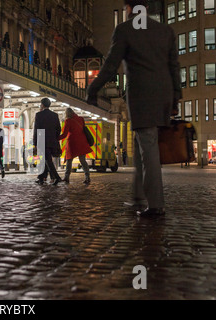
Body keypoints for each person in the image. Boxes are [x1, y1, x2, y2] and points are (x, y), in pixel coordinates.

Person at [86, 0, 182, 217]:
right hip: (164, 95)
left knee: (147, 146)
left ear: (129, 8)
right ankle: (139, 197)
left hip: (143, 97)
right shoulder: (165, 30)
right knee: (142, 145)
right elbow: (174, 66)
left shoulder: (125, 30)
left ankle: (156, 205)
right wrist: (176, 97)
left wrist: (93, 88)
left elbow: (111, 64)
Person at [33, 98, 62, 185]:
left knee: (47, 160)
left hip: (42, 141)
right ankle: (41, 178)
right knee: (45, 160)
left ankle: (57, 177)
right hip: (52, 141)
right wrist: (54, 138)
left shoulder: (39, 115)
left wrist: (35, 143)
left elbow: (36, 130)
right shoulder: (55, 115)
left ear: (42, 105)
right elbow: (58, 129)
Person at [59, 108, 92, 184]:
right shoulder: (81, 119)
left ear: (66, 114)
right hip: (82, 142)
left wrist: (56, 138)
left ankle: (66, 177)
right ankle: (87, 177)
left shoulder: (68, 121)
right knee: (83, 161)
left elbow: (64, 134)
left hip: (72, 143)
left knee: (69, 160)